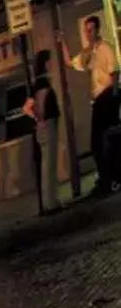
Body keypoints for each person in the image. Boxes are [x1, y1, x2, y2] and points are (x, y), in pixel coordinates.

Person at [68, 14, 118, 195]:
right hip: (97, 100)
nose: (88, 34)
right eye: (86, 31)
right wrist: (61, 43)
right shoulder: (90, 52)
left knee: (102, 141)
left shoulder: (106, 49)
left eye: (91, 30)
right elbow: (72, 63)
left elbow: (114, 73)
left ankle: (110, 177)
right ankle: (107, 176)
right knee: (99, 142)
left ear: (98, 29)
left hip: (106, 96)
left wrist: (114, 96)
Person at [25, 48, 67, 213]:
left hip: (43, 126)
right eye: (50, 61)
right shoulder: (43, 82)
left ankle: (51, 201)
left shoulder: (37, 82)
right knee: (49, 166)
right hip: (48, 125)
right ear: (46, 63)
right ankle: (51, 203)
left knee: (47, 165)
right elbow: (40, 107)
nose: (52, 63)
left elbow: (26, 108)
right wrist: (40, 117)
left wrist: (36, 117)